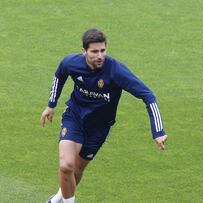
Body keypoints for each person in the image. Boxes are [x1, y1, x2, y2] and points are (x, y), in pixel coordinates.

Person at [41, 28, 168, 203]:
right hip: (75, 118)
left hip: (99, 128)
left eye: (103, 50)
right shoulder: (71, 63)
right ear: (84, 51)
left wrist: (158, 131)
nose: (99, 56)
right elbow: (60, 74)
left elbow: (148, 95)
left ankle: (55, 200)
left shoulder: (116, 71)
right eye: (94, 51)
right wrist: (51, 105)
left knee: (77, 169)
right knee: (66, 165)